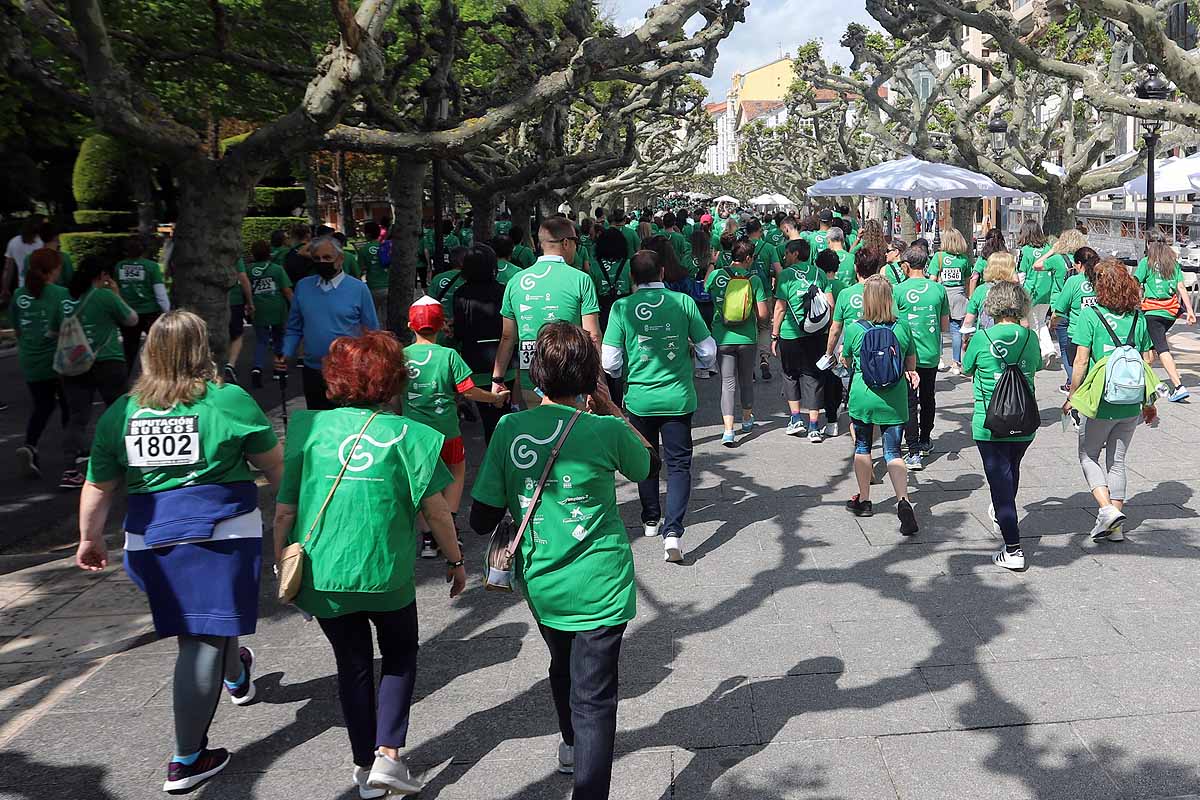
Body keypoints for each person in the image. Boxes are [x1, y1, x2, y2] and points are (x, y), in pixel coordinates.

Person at [75, 310, 283, 793]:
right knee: (202, 635)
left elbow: (98, 484)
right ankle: (187, 757)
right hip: (222, 535)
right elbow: (275, 467)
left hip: (151, 539)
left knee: (209, 621)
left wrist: (90, 537)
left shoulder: (121, 412)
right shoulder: (227, 400)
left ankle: (237, 676)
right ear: (201, 350)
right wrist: (295, 520)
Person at [274, 331, 465, 799]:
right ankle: (389, 755)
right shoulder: (412, 435)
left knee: (352, 664)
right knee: (400, 656)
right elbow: (437, 511)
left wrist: (281, 559)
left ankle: (364, 770)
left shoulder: (307, 429)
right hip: (387, 573)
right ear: (393, 380)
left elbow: (285, 510)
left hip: (324, 573)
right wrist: (456, 560)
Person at [470, 321, 651, 800]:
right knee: (595, 698)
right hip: (601, 582)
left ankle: (569, 742)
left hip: (541, 578)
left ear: (535, 376)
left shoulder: (510, 428)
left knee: (561, 659)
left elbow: (480, 517)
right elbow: (645, 464)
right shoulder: (605, 430)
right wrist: (609, 404)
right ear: (591, 377)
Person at [603, 250, 715, 562]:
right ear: (663, 273)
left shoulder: (621, 307)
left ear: (632, 278)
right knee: (679, 465)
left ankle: (651, 518)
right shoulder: (683, 303)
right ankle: (674, 532)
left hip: (639, 400)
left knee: (646, 458)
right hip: (678, 398)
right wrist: (698, 361)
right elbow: (707, 349)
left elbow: (609, 361)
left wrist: (622, 373)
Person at [404, 295, 509, 557]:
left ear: (410, 326)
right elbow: (469, 391)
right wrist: (495, 398)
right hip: (447, 432)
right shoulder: (449, 355)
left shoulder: (400, 356)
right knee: (455, 472)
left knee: (421, 483)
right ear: (442, 326)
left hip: (413, 435)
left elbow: (393, 396)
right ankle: (450, 530)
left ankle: (428, 538)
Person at [1065, 261, 1157, 542]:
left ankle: (1106, 510)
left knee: (1088, 455)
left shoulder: (1090, 315)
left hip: (1101, 400)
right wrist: (1149, 401)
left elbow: (1080, 361)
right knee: (1117, 461)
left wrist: (1072, 396)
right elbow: (1148, 361)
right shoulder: (1137, 318)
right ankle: (1116, 529)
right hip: (1130, 402)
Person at [962, 281, 1042, 570]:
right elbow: (1039, 365)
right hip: (1024, 421)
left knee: (1000, 482)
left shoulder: (983, 338)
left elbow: (966, 367)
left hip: (989, 422)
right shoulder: (1029, 337)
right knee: (1012, 470)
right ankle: (1001, 513)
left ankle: (1013, 548)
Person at [841, 277, 919, 535]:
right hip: (894, 397)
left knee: (863, 446)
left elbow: (847, 361)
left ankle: (864, 500)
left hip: (864, 396)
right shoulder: (902, 328)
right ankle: (903, 500)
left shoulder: (854, 329)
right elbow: (911, 360)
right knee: (894, 451)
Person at [491, 217, 601, 398]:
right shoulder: (581, 279)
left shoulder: (516, 280)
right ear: (566, 242)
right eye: (576, 242)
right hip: (574, 375)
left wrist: (497, 379)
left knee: (537, 423)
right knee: (572, 424)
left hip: (532, 376)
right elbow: (593, 335)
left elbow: (508, 336)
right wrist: (596, 381)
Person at [59, 262, 139, 489]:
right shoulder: (105, 296)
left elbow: (53, 330)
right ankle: (129, 461)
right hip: (107, 360)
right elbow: (131, 319)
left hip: (75, 363)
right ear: (102, 275)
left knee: (77, 417)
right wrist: (116, 294)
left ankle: (69, 469)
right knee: (121, 412)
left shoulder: (64, 299)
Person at [279, 235, 379, 410]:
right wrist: (285, 353)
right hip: (313, 371)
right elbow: (294, 327)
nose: (321, 262)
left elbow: (372, 331)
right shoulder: (303, 287)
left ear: (340, 259)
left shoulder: (358, 289)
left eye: (327, 258)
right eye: (317, 258)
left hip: (348, 371)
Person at [706, 239, 770, 446]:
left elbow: (705, 287)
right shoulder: (754, 280)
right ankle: (747, 418)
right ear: (749, 258)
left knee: (727, 383)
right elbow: (762, 315)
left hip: (722, 336)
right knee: (745, 380)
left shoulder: (717, 276)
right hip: (746, 338)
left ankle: (727, 430)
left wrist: (713, 264)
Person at [12, 249, 69, 479]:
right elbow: (68, 328)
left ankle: (30, 445)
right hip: (58, 361)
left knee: (42, 406)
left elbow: (17, 329)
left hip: (30, 359)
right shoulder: (61, 293)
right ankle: (73, 455)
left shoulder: (18, 295)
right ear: (54, 269)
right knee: (69, 406)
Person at [771, 238, 833, 440]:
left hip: (790, 334)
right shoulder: (820, 273)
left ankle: (796, 418)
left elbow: (780, 308)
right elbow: (830, 304)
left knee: (790, 375)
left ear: (795, 254)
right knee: (814, 377)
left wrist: (774, 335)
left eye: (787, 253)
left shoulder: (786, 276)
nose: (785, 256)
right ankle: (814, 426)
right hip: (816, 334)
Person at [895, 247, 949, 470]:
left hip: (906, 354)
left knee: (908, 400)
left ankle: (912, 447)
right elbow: (945, 325)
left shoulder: (898, 290)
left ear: (906, 265)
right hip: (930, 353)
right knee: (928, 397)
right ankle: (925, 439)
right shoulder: (938, 289)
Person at [1136, 231, 1197, 401]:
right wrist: (1190, 311)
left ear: (1149, 244)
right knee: (1149, 345)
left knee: (1161, 348)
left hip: (1152, 311)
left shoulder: (1146, 263)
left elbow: (1135, 283)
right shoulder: (1173, 264)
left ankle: (1178, 386)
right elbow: (1182, 288)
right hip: (1170, 311)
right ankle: (1146, 381)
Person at [1033, 228, 1087, 388]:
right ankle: (1076, 379)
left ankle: (1074, 383)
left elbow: (1037, 265)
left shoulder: (1057, 259)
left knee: (1065, 349)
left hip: (1060, 307)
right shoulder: (1083, 261)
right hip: (1081, 306)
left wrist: (1052, 250)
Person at [114, 235, 170, 371]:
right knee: (156, 348)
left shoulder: (119, 266)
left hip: (127, 313)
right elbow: (160, 293)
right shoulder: (151, 267)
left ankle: (126, 380)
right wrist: (167, 312)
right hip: (150, 313)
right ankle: (157, 375)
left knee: (129, 349)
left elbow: (117, 290)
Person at [1050, 244, 1100, 394]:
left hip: (1076, 332)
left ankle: (1074, 386)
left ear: (1079, 264)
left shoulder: (1073, 282)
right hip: (1098, 330)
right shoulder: (1101, 280)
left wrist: (1052, 323)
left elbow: (1059, 309)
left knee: (1069, 356)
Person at [1015, 219, 1065, 364]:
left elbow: (1021, 274)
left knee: (1032, 324)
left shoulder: (1025, 251)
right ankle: (1049, 349)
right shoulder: (1048, 248)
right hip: (1047, 292)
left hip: (1030, 291)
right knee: (1041, 321)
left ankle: (1036, 354)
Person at [246, 240, 294, 389]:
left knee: (262, 341)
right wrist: (296, 307)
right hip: (277, 308)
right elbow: (287, 290)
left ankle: (257, 367)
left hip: (258, 308)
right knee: (279, 339)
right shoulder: (277, 269)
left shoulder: (248, 270)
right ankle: (279, 370)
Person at [927, 228, 971, 374]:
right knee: (956, 331)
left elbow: (933, 279)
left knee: (939, 329)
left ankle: (939, 359)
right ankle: (956, 363)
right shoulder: (964, 259)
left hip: (943, 294)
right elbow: (967, 280)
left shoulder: (938, 257)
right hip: (959, 296)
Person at [745, 219, 782, 379]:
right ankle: (764, 358)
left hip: (743, 293)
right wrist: (778, 289)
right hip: (765, 292)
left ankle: (749, 366)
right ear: (760, 230)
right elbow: (778, 270)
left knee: (748, 327)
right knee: (765, 327)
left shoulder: (742, 246)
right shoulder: (768, 248)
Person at [961, 250, 1020, 351]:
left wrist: (965, 340)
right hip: (1012, 340)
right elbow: (1025, 322)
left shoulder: (980, 290)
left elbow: (968, 321)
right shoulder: (1015, 291)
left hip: (986, 339)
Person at [590, 226, 633, 328]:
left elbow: (592, 293)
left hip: (603, 312)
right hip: (625, 310)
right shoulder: (629, 264)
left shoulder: (594, 266)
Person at [224, 257, 254, 384]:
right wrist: (250, 301)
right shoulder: (235, 256)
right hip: (234, 300)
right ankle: (230, 364)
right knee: (237, 334)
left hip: (212, 301)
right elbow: (243, 278)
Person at [355, 220, 389, 326]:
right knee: (386, 317)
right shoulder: (387, 247)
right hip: (388, 286)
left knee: (372, 317)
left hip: (373, 287)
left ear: (368, 234)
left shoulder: (363, 250)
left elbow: (359, 270)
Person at [2, 217, 42, 302]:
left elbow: (8, 269)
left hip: (23, 286)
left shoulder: (13, 242)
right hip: (43, 286)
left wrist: (5, 289)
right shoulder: (42, 242)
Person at [968, 227, 1007, 295]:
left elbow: (974, 279)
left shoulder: (983, 259)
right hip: (1003, 292)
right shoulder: (1006, 258)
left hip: (985, 292)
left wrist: (971, 297)